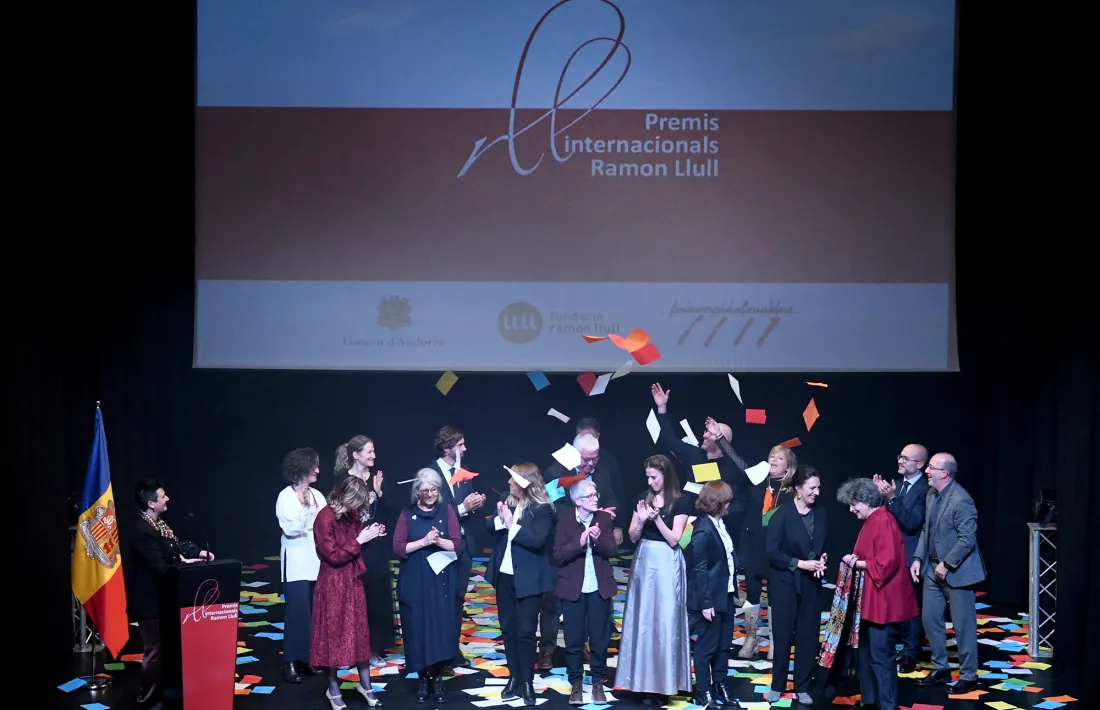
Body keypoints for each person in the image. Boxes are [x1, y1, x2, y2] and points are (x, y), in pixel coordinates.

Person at [710, 421, 797, 660]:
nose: (773, 460)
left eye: (779, 458)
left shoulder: (793, 491)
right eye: (771, 456)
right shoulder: (758, 480)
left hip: (777, 548)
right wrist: (720, 439)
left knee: (776, 595)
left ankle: (776, 641)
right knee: (752, 592)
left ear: (788, 465)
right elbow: (737, 460)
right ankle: (751, 639)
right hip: (752, 542)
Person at [539, 430, 624, 669]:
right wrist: (585, 513)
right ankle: (546, 649)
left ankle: (582, 645)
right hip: (562, 544)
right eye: (587, 459)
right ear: (575, 454)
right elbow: (552, 508)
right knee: (553, 600)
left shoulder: (601, 471)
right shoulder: (556, 472)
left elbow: (611, 497)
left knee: (585, 595)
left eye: (595, 458)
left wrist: (608, 513)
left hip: (592, 544)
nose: (592, 463)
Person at [128, 480, 213, 710]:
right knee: (154, 651)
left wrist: (198, 553)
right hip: (149, 603)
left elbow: (175, 547)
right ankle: (147, 700)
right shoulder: (142, 531)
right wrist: (183, 566)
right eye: (163, 496)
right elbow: (160, 566)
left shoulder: (160, 525)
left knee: (167, 650)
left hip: (165, 600)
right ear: (151, 503)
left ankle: (167, 695)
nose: (167, 499)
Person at [837, 478, 919, 710]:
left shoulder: (883, 520)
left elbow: (887, 562)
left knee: (881, 657)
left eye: (854, 504)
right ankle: (871, 700)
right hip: (870, 599)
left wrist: (856, 563)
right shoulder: (872, 520)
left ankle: (888, 705)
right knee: (866, 653)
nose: (851, 509)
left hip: (883, 602)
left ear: (867, 500)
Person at [616, 455, 694, 701]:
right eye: (647, 477)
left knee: (665, 620)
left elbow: (674, 539)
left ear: (666, 475)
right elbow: (633, 536)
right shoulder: (642, 498)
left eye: (654, 477)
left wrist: (656, 518)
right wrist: (640, 521)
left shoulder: (681, 502)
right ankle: (643, 682)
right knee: (643, 620)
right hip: (645, 560)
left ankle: (665, 683)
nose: (650, 482)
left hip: (667, 563)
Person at [912, 453, 985, 695]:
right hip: (932, 569)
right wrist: (918, 558)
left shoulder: (962, 500)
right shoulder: (932, 494)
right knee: (930, 619)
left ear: (944, 473)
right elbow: (927, 530)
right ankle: (940, 668)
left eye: (931, 467)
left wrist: (947, 564)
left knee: (963, 627)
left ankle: (969, 676)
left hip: (958, 573)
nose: (926, 471)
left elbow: (967, 539)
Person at [311, 477, 386, 710]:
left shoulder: (350, 515)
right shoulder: (325, 518)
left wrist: (370, 535)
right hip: (333, 582)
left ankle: (366, 684)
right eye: (357, 504)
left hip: (352, 579)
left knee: (359, 632)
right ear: (346, 498)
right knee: (333, 634)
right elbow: (333, 555)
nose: (358, 510)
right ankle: (333, 688)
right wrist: (360, 540)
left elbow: (354, 545)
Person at [485, 464, 555, 706]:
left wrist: (511, 524)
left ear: (525, 482)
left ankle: (527, 682)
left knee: (525, 631)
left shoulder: (543, 509)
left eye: (512, 479)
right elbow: (489, 527)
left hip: (529, 579)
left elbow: (537, 540)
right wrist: (500, 519)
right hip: (504, 576)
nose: (508, 483)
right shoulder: (508, 500)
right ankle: (514, 677)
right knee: (508, 629)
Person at [393, 468, 462, 704]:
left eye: (434, 490)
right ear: (417, 492)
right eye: (425, 491)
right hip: (415, 578)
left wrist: (438, 540)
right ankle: (423, 680)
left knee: (440, 628)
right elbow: (398, 547)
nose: (430, 494)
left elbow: (456, 544)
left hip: (440, 578)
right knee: (417, 628)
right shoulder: (407, 514)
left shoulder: (446, 510)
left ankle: (438, 679)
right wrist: (423, 542)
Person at [765, 466, 828, 706]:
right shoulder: (781, 515)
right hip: (785, 584)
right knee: (783, 636)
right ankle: (777, 684)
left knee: (808, 635)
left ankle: (802, 685)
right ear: (798, 488)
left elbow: (824, 544)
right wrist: (801, 564)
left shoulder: (820, 513)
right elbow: (772, 552)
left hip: (811, 584)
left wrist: (822, 558)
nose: (816, 492)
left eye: (818, 487)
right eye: (812, 488)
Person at [553, 478, 617, 705]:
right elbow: (558, 554)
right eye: (590, 496)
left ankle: (598, 681)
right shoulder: (564, 520)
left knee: (599, 637)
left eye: (596, 495)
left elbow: (612, 550)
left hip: (599, 586)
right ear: (577, 500)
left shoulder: (604, 518)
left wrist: (598, 541)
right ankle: (576, 683)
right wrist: (579, 543)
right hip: (573, 586)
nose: (595, 499)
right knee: (573, 638)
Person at [430, 426, 487, 672]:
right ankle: (438, 652)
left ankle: (452, 650)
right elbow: (433, 513)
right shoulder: (430, 475)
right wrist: (463, 507)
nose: (465, 449)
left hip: (463, 546)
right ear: (446, 448)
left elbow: (466, 509)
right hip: (440, 548)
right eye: (460, 445)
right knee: (440, 601)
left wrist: (476, 504)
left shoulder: (464, 472)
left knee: (457, 600)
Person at [336, 435, 394, 668]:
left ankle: (373, 649)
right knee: (354, 600)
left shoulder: (376, 479)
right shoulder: (344, 481)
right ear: (355, 454)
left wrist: (379, 494)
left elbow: (389, 512)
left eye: (373, 451)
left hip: (376, 550)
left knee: (376, 599)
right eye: (369, 452)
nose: (373, 456)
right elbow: (339, 516)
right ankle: (349, 650)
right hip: (355, 548)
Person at [873, 443, 929, 671]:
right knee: (895, 604)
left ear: (920, 464)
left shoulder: (926, 490)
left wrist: (892, 498)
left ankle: (910, 653)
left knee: (911, 607)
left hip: (911, 557)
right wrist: (880, 496)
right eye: (900, 456)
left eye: (906, 458)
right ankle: (896, 647)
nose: (900, 461)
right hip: (891, 554)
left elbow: (913, 522)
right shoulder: (897, 485)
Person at [276, 447, 327, 683]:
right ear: (302, 468)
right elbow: (291, 529)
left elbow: (325, 523)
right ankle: (290, 661)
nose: (317, 470)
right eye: (313, 466)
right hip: (296, 562)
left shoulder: (318, 495)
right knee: (297, 613)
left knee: (314, 613)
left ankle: (309, 658)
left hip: (316, 561)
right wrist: (305, 511)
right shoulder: (285, 497)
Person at [688, 481, 738, 708]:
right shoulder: (702, 530)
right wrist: (706, 602)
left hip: (725, 593)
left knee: (724, 644)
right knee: (706, 647)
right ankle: (704, 690)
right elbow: (700, 570)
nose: (729, 504)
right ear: (718, 502)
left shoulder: (720, 525)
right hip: (709, 598)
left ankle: (720, 684)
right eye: (726, 500)